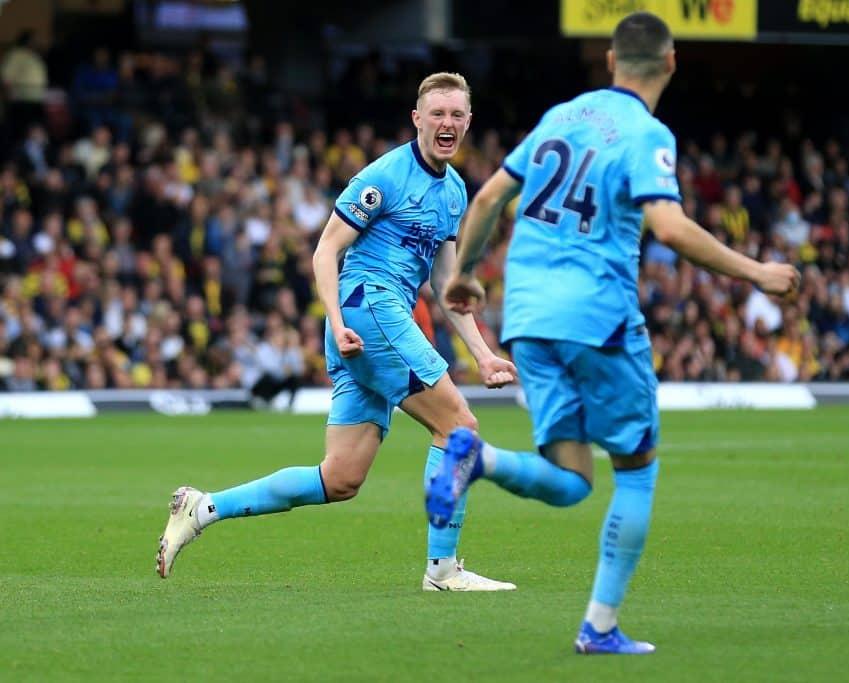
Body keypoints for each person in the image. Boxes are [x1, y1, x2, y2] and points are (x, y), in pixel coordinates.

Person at [426, 12, 800, 654]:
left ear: (608, 61)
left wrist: (461, 278)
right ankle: (599, 626)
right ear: (672, 62)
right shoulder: (646, 133)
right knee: (637, 469)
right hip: (598, 317)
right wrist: (757, 272)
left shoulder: (561, 116)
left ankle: (476, 459)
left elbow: (487, 200)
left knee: (571, 479)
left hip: (530, 320)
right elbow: (672, 227)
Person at [157, 73, 517, 592]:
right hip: (369, 310)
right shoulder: (384, 177)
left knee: (340, 477)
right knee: (458, 428)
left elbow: (446, 285)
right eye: (437, 113)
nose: (447, 123)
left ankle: (203, 507)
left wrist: (482, 354)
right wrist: (339, 320)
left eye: (457, 115)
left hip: (369, 323)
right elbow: (325, 250)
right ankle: (443, 570)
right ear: (417, 119)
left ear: (468, 122)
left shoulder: (455, 192)